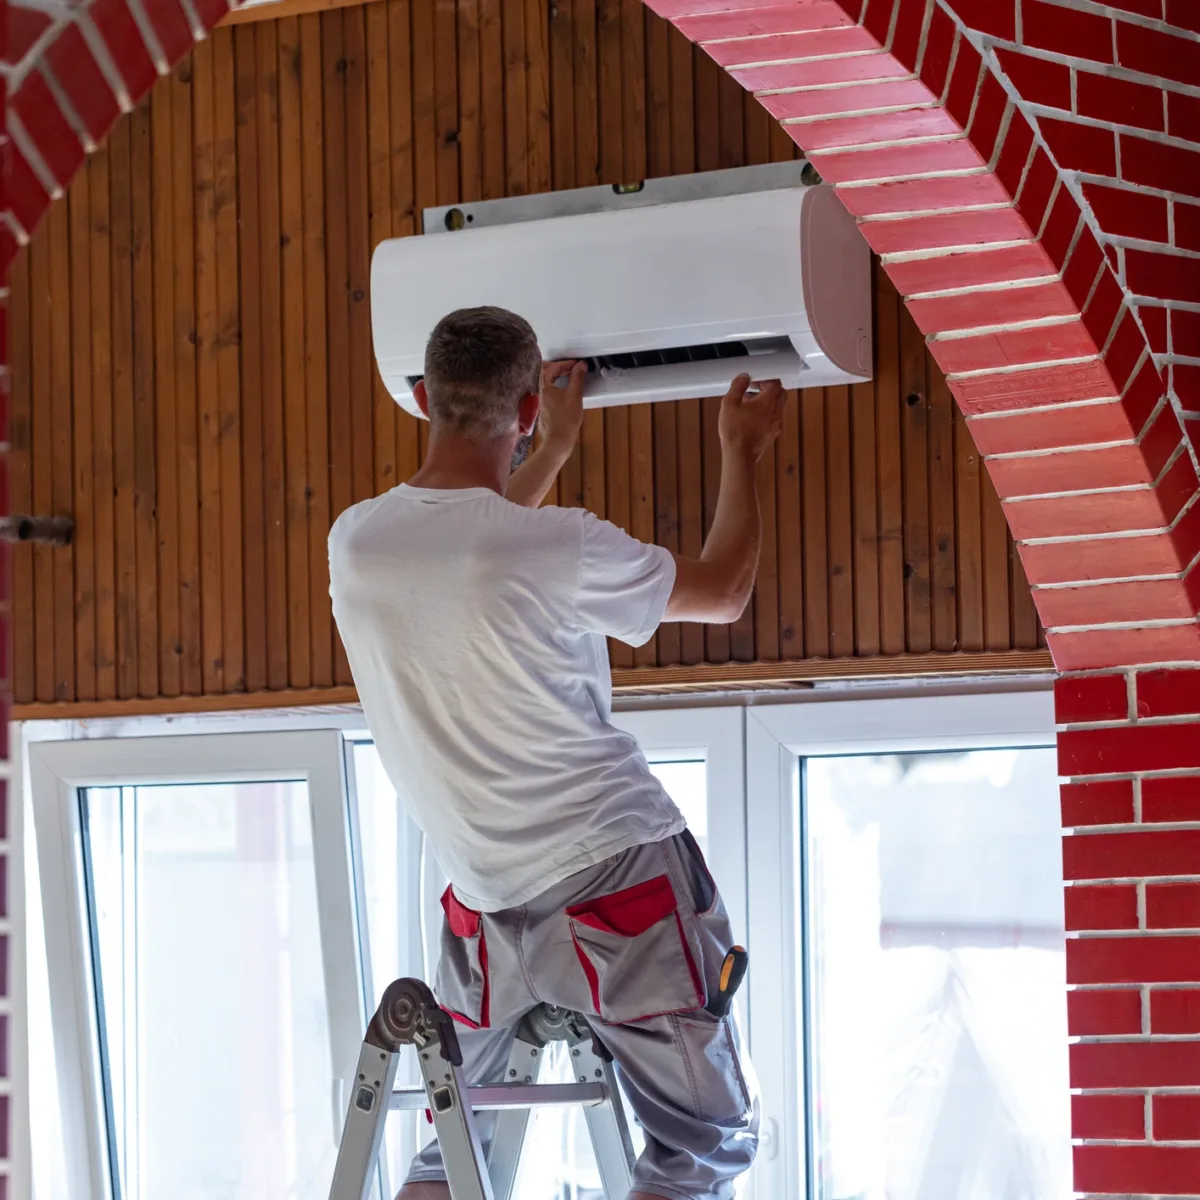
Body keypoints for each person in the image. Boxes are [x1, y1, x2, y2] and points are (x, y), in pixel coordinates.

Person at [329, 306, 784, 1200]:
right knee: (704, 1147)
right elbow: (725, 590)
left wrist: (554, 450)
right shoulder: (560, 545)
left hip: (486, 905)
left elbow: (471, 550)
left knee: (455, 1164)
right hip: (620, 880)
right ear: (528, 409)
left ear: (422, 399)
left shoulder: (358, 543)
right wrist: (741, 446)